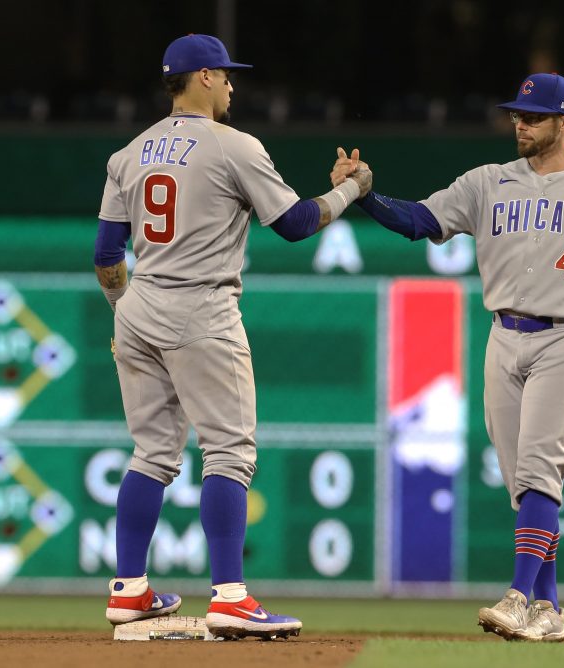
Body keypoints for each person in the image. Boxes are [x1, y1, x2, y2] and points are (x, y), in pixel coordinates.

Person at [332, 72, 564, 642]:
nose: (521, 123)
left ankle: (518, 596)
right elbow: (420, 221)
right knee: (523, 485)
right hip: (503, 336)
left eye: (534, 116)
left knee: (539, 471)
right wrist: (364, 194)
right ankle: (550, 608)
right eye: (517, 113)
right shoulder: (487, 183)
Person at [94, 33, 368, 640]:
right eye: (225, 74)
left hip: (139, 305)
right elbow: (296, 224)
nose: (232, 84)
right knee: (228, 452)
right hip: (200, 307)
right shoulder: (231, 146)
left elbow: (106, 254)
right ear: (205, 78)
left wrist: (123, 308)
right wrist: (351, 188)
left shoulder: (129, 153)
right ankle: (231, 597)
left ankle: (129, 590)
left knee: (151, 453)